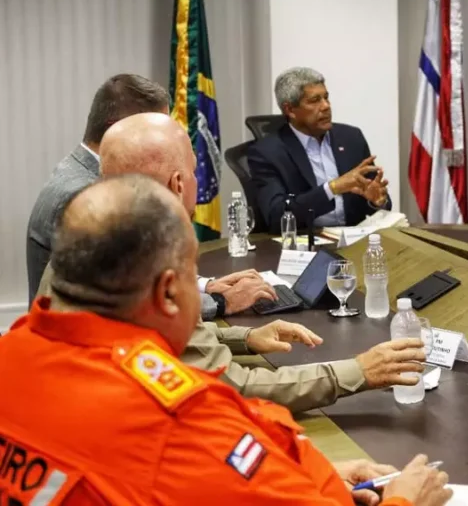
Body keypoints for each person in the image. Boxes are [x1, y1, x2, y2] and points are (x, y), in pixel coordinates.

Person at [0, 175, 452, 505]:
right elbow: (186, 457)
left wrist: (301, 474)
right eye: (197, 276)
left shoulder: (12, 353)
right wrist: (405, 502)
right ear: (168, 292)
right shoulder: (182, 422)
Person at [39, 112, 424, 412]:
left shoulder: (88, 234)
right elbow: (232, 387)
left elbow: (156, 344)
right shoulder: (152, 256)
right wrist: (358, 372)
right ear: (177, 183)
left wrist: (244, 338)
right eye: (193, 170)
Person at [25, 74, 169, 302]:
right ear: (116, 129)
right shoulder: (84, 195)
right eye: (156, 133)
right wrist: (220, 302)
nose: (165, 142)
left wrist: (205, 286)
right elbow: (129, 297)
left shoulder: (79, 171)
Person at [248, 67, 391, 234]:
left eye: (326, 97)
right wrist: (332, 188)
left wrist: (376, 201)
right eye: (314, 100)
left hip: (354, 240)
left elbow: (377, 200)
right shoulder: (267, 153)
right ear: (290, 110)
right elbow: (276, 216)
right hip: (306, 244)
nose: (326, 106)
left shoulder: (351, 138)